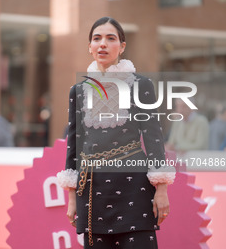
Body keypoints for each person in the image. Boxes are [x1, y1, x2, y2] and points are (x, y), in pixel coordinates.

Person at [56, 17, 175, 248]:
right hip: (91, 191)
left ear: (122, 46)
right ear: (89, 47)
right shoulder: (78, 91)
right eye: (96, 38)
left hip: (134, 189)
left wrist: (161, 189)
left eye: (111, 39)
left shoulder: (141, 85)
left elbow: (153, 138)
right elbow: (74, 144)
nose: (102, 44)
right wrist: (72, 197)